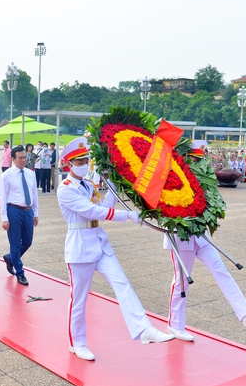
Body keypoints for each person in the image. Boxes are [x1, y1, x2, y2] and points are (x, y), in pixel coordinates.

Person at [57, 137, 174, 361]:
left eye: (85, 160)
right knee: (79, 299)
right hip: (80, 246)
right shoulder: (65, 190)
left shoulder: (87, 184)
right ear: (68, 164)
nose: (84, 164)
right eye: (79, 161)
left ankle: (143, 328)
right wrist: (128, 215)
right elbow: (91, 212)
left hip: (99, 242)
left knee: (122, 284)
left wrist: (115, 187)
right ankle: (77, 343)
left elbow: (103, 207)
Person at [164, 140, 246, 342]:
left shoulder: (202, 179)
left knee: (221, 270)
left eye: (201, 158)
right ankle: (175, 325)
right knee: (181, 282)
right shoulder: (173, 177)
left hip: (201, 236)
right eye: (195, 159)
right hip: (181, 237)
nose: (200, 162)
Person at [0, 145, 39, 286]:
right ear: (13, 159)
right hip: (13, 211)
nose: (23, 160)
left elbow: (34, 194)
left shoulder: (30, 174)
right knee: (15, 243)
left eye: (25, 157)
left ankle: (10, 258)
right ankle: (20, 272)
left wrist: (36, 213)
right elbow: (3, 197)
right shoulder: (7, 175)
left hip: (28, 211)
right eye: (20, 158)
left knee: (28, 241)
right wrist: (4, 218)